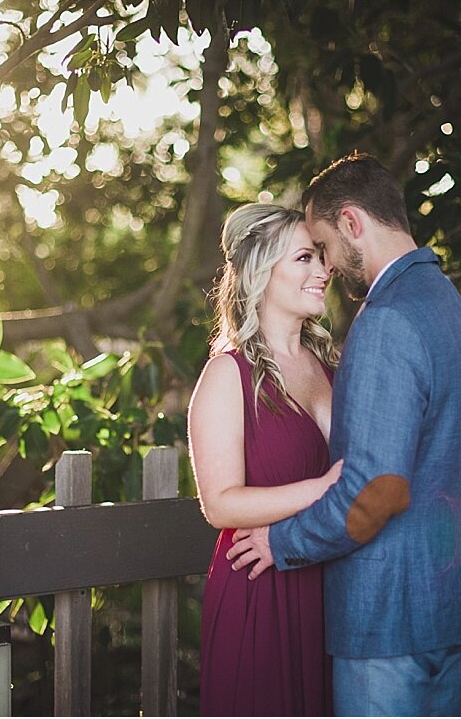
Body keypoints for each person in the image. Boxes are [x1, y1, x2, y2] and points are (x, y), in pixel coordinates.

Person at [226, 153, 461, 716]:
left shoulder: (387, 319)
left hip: (388, 617)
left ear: (352, 223)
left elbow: (375, 491)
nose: (328, 265)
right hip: (448, 605)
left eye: (322, 246)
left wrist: (281, 542)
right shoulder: (454, 310)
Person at [188, 202, 343, 716]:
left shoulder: (332, 364)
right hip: (260, 589)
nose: (323, 271)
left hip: (328, 584)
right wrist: (326, 488)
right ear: (261, 272)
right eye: (305, 258)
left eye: (321, 257)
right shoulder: (226, 375)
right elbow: (221, 505)